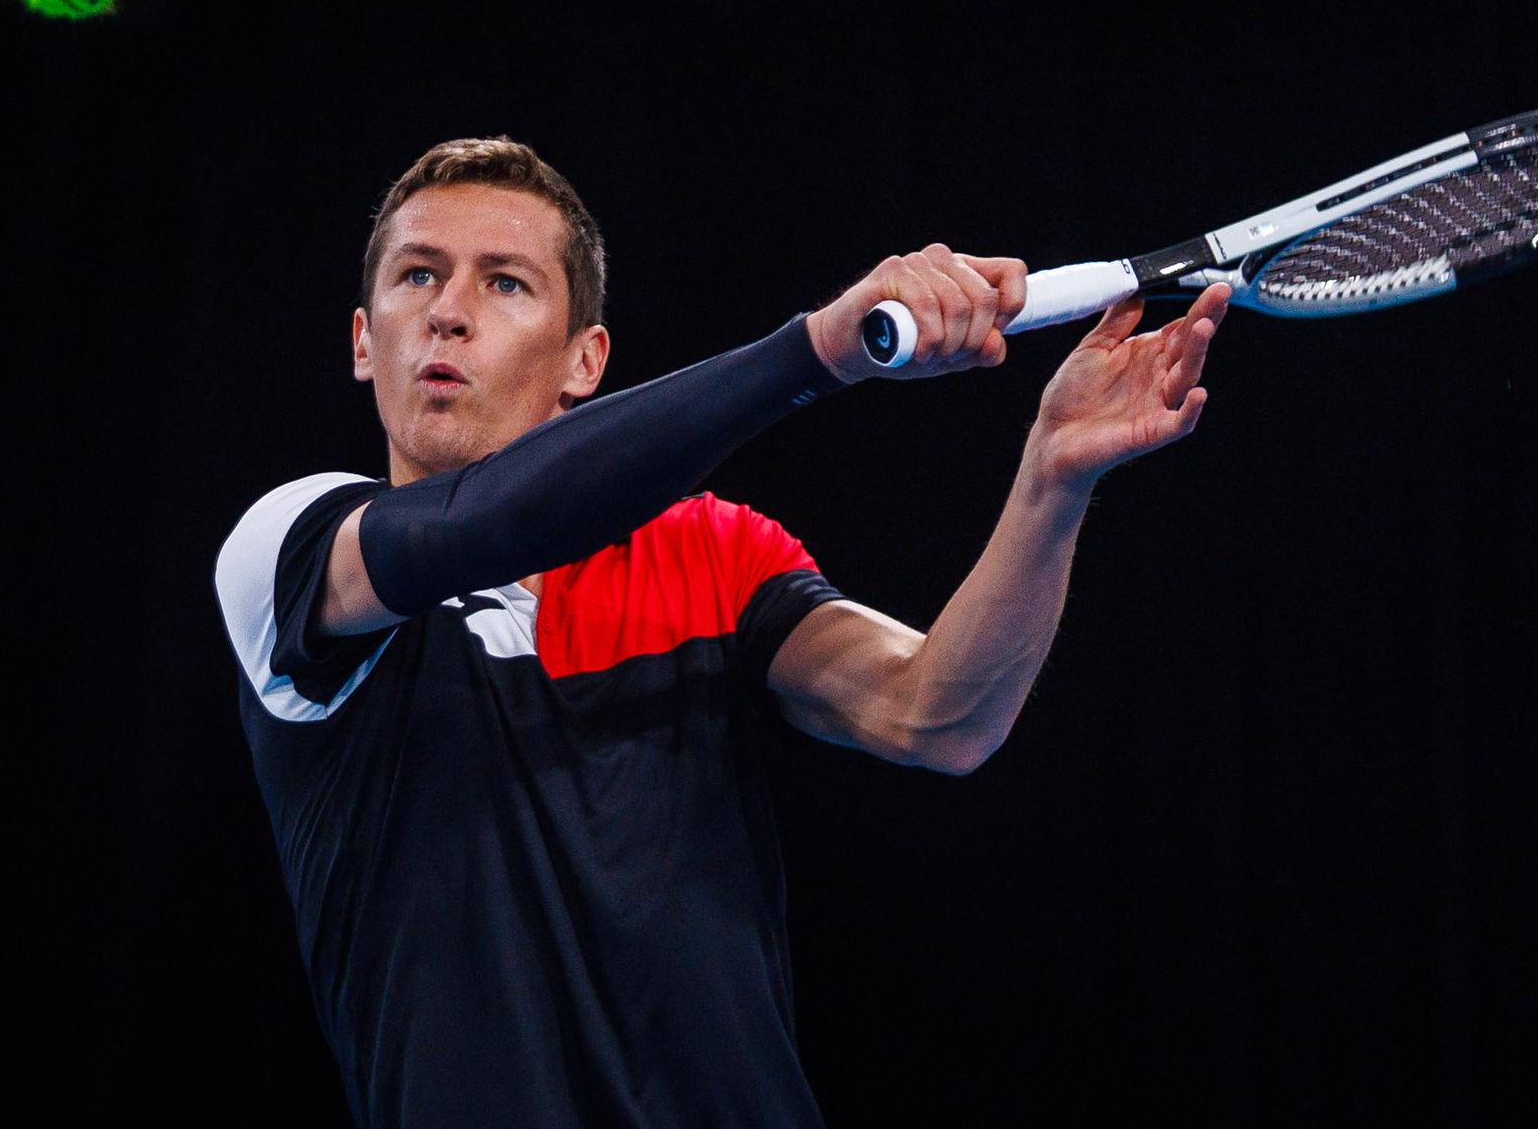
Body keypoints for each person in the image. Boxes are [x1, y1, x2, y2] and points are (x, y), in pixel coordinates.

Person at [214, 136, 1228, 1126]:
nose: (446, 312)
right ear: (362, 338)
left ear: (585, 361)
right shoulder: (285, 556)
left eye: (504, 283)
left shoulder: (710, 552)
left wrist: (1053, 478)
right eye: (418, 276)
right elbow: (483, 521)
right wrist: (815, 352)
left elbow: (939, 714)